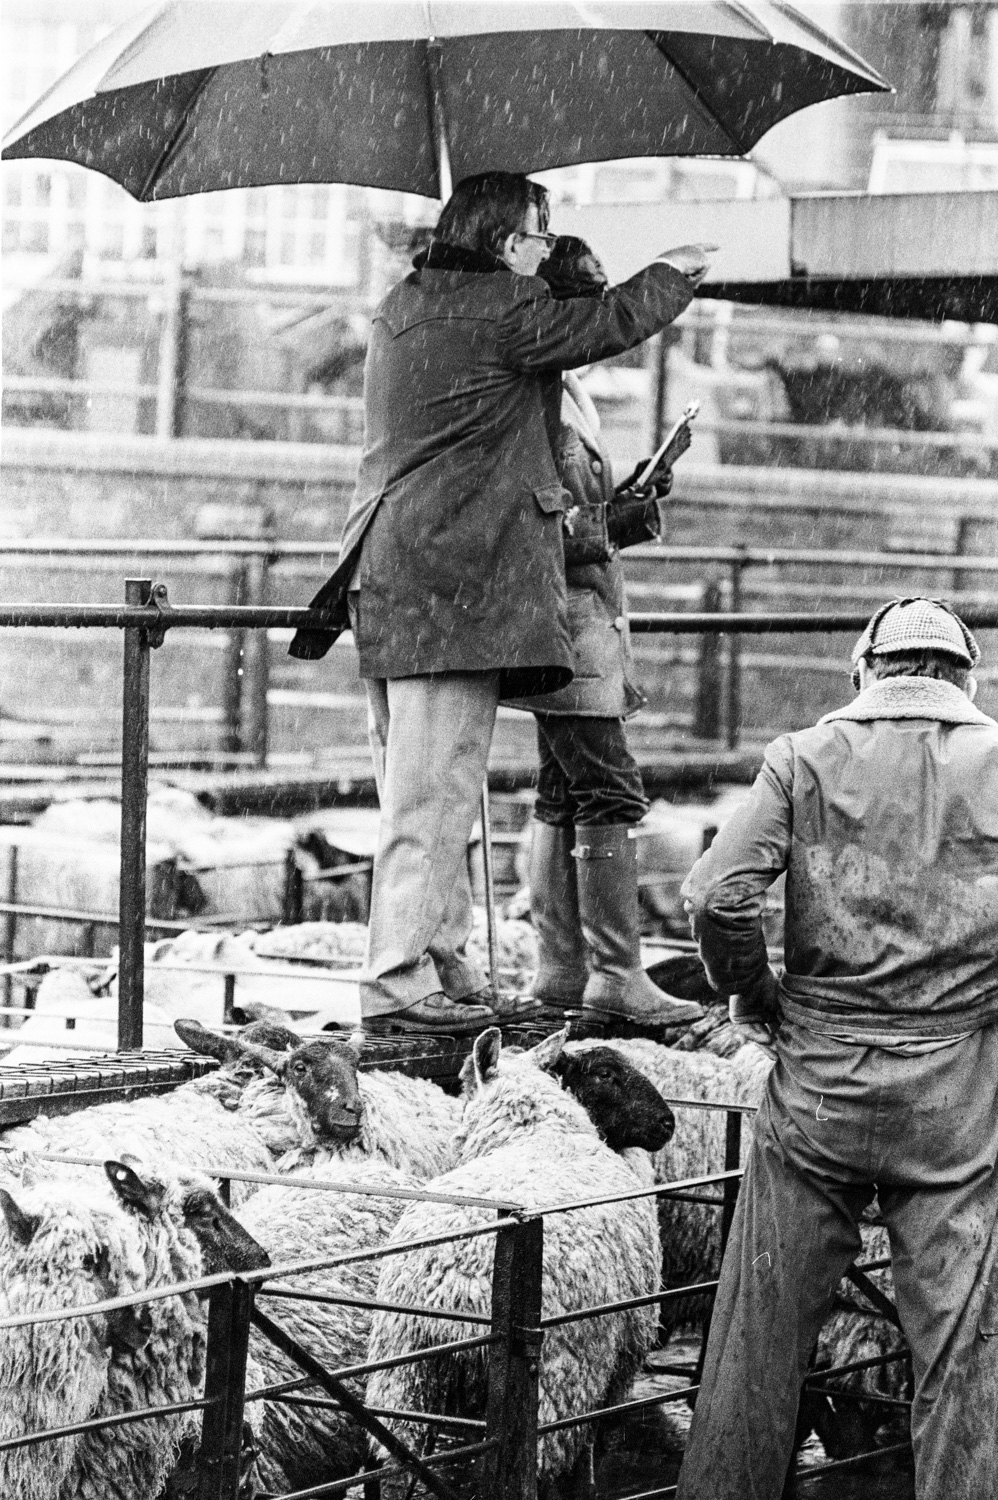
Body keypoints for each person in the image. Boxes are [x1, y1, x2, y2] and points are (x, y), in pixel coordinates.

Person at [289, 171, 713, 1034]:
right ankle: (399, 985)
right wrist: (672, 273)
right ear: (505, 242)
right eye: (538, 234)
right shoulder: (501, 307)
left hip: (394, 571)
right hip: (453, 583)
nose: (542, 250)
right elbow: (605, 323)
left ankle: (441, 964)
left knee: (420, 792)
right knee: (434, 798)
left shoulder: (405, 303)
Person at [675, 597, 998, 1500]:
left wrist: (754, 992)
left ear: (865, 672)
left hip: (817, 1086)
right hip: (955, 1100)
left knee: (758, 1338)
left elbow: (716, 897)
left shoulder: (804, 756)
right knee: (964, 1350)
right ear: (965, 680)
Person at [512, 235, 704, 1028]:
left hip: (574, 622)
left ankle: (563, 966)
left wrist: (630, 498)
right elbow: (533, 529)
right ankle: (616, 972)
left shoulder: (561, 390)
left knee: (564, 791)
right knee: (609, 789)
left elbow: (563, 510)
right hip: (567, 623)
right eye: (592, 294)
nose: (604, 309)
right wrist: (614, 522)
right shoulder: (541, 399)